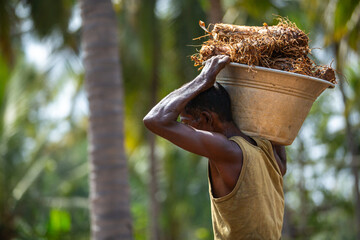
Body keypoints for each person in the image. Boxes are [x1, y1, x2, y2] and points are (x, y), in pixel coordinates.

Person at [143, 55, 287, 240]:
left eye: (186, 123)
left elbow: (154, 120)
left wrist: (203, 79)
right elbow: (281, 163)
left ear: (206, 118)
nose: (183, 129)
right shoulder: (265, 149)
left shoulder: (228, 150)